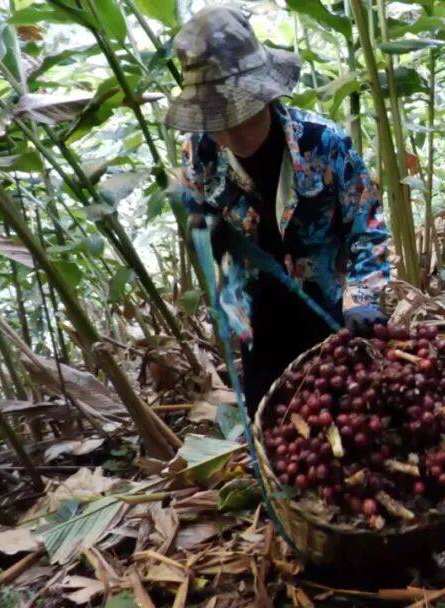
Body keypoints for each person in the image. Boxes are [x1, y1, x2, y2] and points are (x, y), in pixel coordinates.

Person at [165, 6, 392, 415]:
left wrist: (362, 296)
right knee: (275, 423)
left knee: (354, 415)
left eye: (243, 115)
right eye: (220, 120)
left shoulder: (324, 143)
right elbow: (199, 218)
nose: (233, 133)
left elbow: (368, 227)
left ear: (266, 96)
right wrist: (203, 230)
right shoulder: (199, 154)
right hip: (258, 319)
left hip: (331, 307)